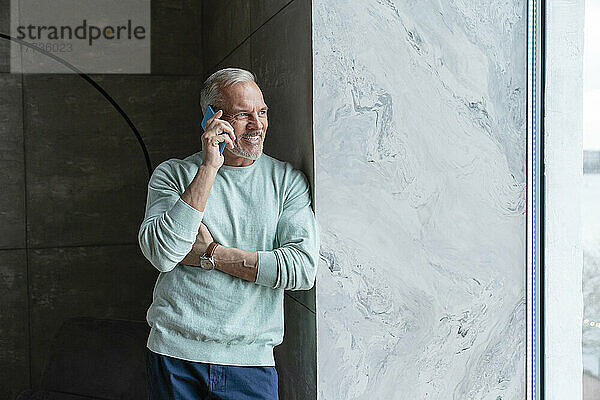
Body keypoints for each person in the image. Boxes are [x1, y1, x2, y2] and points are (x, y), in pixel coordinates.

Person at [138, 67, 320, 400]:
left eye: (261, 112)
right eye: (242, 115)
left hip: (250, 363)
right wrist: (209, 166)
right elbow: (163, 254)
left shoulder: (287, 182)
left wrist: (212, 255)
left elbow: (302, 269)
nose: (257, 124)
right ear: (213, 117)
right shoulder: (174, 174)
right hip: (175, 355)